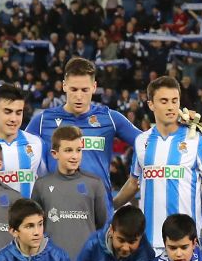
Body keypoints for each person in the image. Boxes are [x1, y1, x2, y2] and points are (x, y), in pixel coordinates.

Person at [113, 76, 202, 251]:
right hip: (149, 243)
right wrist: (110, 207)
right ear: (151, 105)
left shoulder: (196, 140)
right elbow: (134, 183)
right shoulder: (142, 141)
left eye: (174, 101)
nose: (171, 106)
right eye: (164, 101)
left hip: (187, 244)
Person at [25, 58, 142, 209]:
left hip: (98, 214)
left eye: (84, 90)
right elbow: (17, 152)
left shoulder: (110, 118)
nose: (79, 96)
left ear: (94, 87)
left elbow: (147, 143)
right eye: (74, 89)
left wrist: (116, 202)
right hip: (56, 214)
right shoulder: (42, 121)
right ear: (64, 86)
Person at [34, 124, 107, 260]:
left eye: (78, 150)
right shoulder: (41, 185)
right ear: (54, 154)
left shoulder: (94, 183)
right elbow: (36, 226)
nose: (75, 156)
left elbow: (101, 224)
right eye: (68, 150)